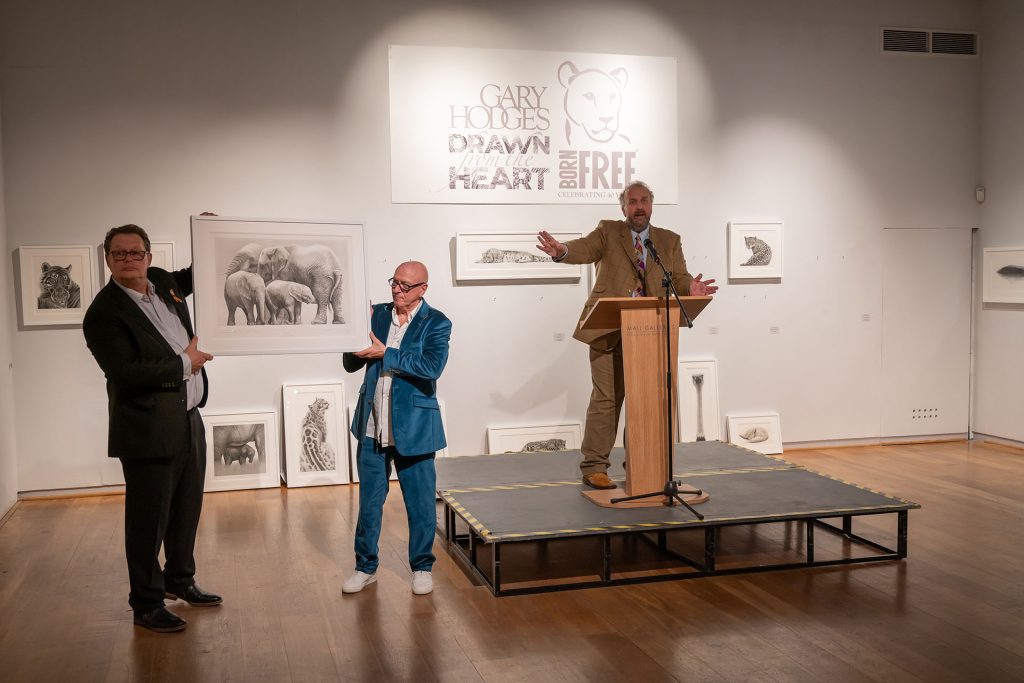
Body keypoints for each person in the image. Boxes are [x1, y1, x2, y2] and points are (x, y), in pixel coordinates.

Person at [83, 224, 220, 633]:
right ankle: (146, 602)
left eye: (135, 252)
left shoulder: (161, 282)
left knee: (186, 507)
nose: (128, 259)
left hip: (189, 417)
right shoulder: (103, 313)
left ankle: (180, 578)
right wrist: (187, 362)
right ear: (108, 259)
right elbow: (127, 373)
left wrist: (210, 233)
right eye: (119, 254)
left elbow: (199, 276)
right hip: (146, 428)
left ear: (149, 256)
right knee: (148, 519)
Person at [537, 181, 718, 490]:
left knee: (646, 401)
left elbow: (679, 276)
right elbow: (583, 248)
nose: (639, 206)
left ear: (651, 205)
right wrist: (562, 251)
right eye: (632, 201)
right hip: (606, 329)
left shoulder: (668, 241)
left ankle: (642, 463)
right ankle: (595, 466)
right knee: (607, 399)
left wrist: (691, 288)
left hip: (651, 332)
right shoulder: (608, 232)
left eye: (644, 200)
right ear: (623, 208)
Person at [341, 260, 452, 596]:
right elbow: (349, 362)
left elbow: (432, 367)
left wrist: (386, 353)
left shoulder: (437, 322)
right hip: (373, 424)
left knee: (419, 503)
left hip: (415, 426)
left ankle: (421, 566)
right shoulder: (375, 315)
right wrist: (354, 342)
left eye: (405, 285)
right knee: (369, 502)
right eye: (394, 282)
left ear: (422, 290)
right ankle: (365, 567)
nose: (397, 289)